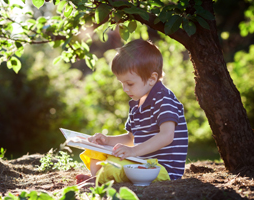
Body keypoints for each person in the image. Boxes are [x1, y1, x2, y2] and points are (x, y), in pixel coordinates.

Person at [76, 39, 188, 184]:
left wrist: (134, 152)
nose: (125, 88)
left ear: (152, 79)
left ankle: (99, 179)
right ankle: (98, 177)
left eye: (129, 83)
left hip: (161, 169)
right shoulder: (136, 103)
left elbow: (167, 136)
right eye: (121, 83)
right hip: (141, 162)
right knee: (96, 150)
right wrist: (107, 140)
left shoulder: (164, 99)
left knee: (113, 168)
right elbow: (131, 138)